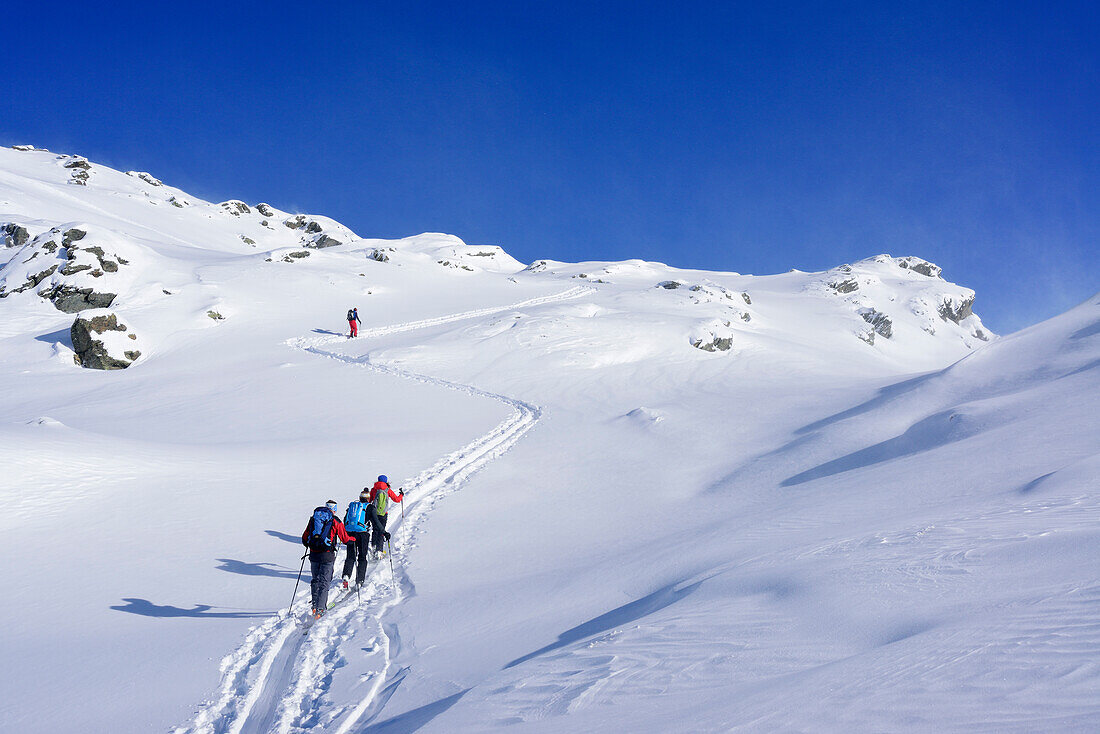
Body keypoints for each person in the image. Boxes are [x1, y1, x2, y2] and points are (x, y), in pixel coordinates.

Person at [301, 499, 355, 618]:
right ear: (334, 509)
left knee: (315, 580)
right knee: (324, 582)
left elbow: (305, 538)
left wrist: (312, 545)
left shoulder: (314, 519)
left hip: (314, 555)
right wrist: (353, 540)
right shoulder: (335, 520)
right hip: (327, 555)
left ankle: (315, 607)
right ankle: (321, 609)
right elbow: (345, 539)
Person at [341, 489, 388, 588]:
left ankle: (346, 575)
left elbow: (345, 520)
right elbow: (376, 522)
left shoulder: (353, 506)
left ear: (359, 497)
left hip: (350, 533)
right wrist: (384, 532)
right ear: (368, 498)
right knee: (362, 557)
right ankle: (359, 580)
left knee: (350, 556)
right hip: (362, 534)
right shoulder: (370, 507)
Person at [367, 475, 403, 556]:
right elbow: (397, 500)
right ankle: (379, 550)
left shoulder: (374, 489)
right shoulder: (387, 490)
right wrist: (401, 495)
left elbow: (369, 500)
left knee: (375, 530)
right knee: (381, 530)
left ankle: (373, 547)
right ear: (386, 481)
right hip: (384, 514)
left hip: (374, 513)